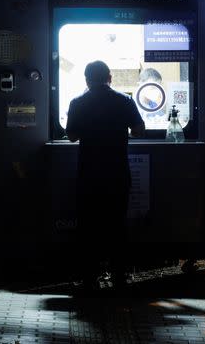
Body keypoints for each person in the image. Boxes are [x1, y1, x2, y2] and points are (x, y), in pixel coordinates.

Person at [66, 60, 145, 290]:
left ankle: (90, 277)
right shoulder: (125, 101)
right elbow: (139, 131)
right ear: (109, 77)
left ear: (86, 79)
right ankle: (119, 275)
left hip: (88, 174)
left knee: (89, 227)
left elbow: (71, 136)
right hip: (117, 173)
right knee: (117, 225)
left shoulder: (78, 102)